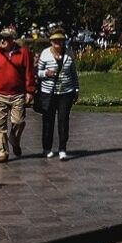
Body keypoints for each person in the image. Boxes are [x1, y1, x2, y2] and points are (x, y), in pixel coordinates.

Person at [0, 26, 35, 163]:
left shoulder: (23, 53)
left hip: (17, 95)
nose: (2, 41)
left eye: (5, 38)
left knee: (19, 122)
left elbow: (29, 73)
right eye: (0, 38)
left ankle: (14, 140)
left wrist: (30, 91)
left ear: (12, 39)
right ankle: (2, 152)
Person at [36, 29, 79, 160]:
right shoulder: (45, 54)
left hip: (66, 92)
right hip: (48, 92)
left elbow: (73, 73)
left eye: (60, 41)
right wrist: (46, 73)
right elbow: (38, 72)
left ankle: (62, 148)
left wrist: (76, 89)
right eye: (55, 41)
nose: (58, 43)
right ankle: (47, 148)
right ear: (51, 42)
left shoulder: (69, 54)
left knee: (63, 120)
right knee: (48, 121)